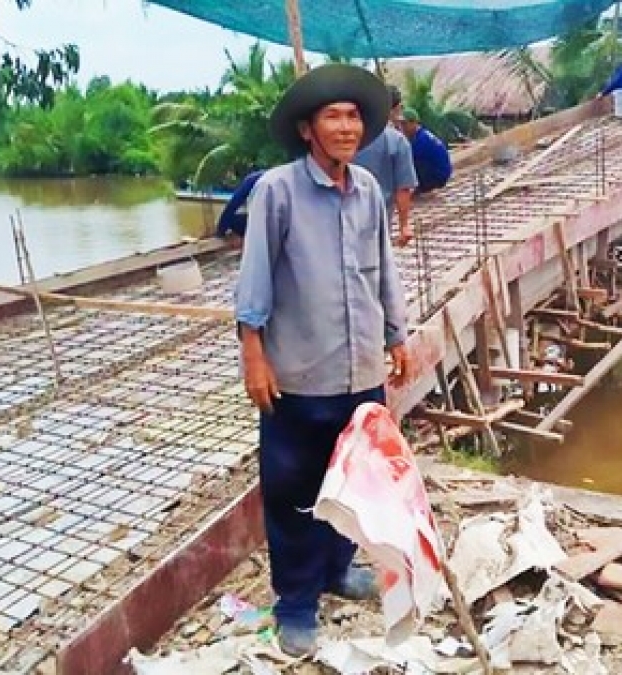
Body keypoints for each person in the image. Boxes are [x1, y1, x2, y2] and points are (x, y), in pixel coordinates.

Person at [233, 63, 411, 658]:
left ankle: (338, 568)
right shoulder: (276, 191)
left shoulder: (367, 191)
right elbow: (254, 279)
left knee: (355, 482)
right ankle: (296, 603)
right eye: (332, 116)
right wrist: (253, 356)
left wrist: (398, 335)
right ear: (307, 129)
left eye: (354, 115)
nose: (346, 126)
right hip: (300, 375)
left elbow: (384, 270)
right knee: (293, 489)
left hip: (361, 370)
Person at [354, 84, 418, 246]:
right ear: (394, 109)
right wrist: (404, 226)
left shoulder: (347, 136)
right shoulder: (396, 141)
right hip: (377, 219)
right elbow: (403, 189)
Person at [398, 107, 452, 196]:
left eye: (404, 124)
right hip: (440, 172)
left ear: (414, 123)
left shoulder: (421, 140)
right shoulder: (422, 134)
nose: (401, 128)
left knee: (408, 163)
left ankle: (422, 188)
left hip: (438, 176)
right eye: (400, 124)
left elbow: (405, 161)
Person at [215, 169, 265, 241]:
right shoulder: (275, 175)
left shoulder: (252, 179)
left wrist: (220, 231)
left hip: (262, 226)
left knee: (232, 220)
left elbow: (232, 205)